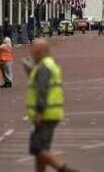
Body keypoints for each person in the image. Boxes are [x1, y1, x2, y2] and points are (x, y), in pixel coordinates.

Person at [24, 39, 78, 172]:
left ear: (41, 52)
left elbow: (42, 90)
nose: (32, 53)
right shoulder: (46, 65)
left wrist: (38, 112)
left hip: (45, 114)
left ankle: (64, 169)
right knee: (42, 149)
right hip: (51, 113)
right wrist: (30, 71)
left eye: (34, 51)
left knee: (37, 148)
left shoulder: (43, 67)